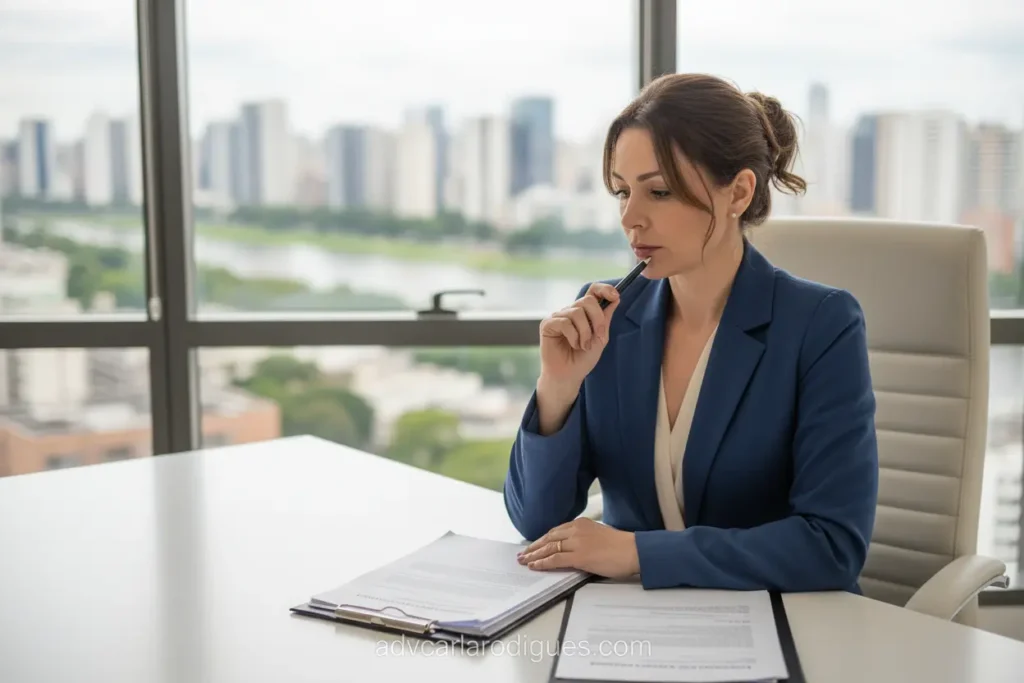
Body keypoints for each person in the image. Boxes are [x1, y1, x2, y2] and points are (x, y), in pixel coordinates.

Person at [504, 73, 879, 594]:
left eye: (658, 191)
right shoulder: (610, 317)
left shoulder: (821, 324)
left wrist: (636, 553)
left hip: (781, 627)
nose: (630, 218)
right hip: (634, 632)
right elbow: (536, 523)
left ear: (739, 192)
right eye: (621, 192)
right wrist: (558, 389)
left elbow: (832, 547)